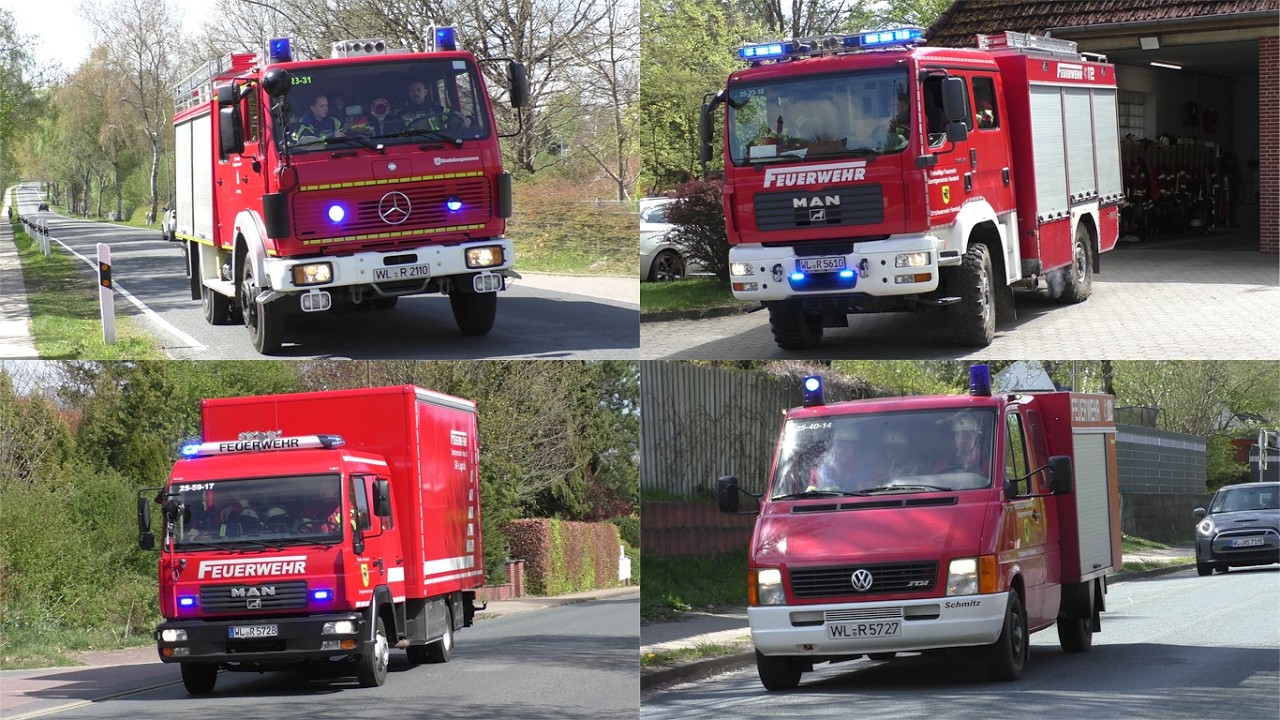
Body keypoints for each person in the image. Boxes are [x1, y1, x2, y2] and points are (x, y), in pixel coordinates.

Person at [808, 426, 871, 492]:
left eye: (848, 446)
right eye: (839, 445)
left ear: (856, 448)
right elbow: (811, 495)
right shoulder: (819, 470)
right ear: (833, 447)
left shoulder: (869, 468)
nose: (842, 451)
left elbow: (880, 487)